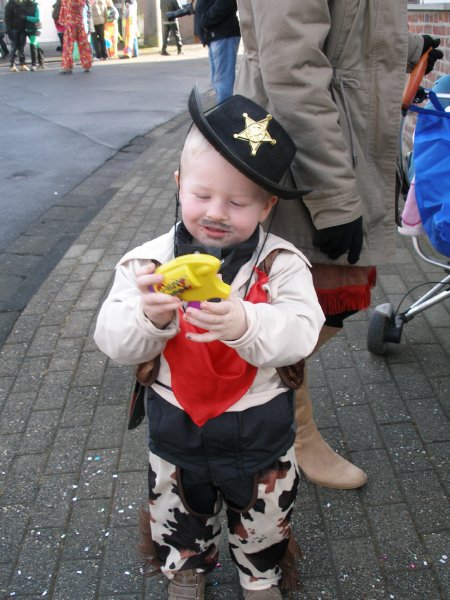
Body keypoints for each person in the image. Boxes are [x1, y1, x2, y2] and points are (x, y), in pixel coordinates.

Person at [94, 86, 325, 600]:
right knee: (177, 508)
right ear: (179, 184)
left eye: (238, 202)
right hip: (176, 421)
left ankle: (262, 576)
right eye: (202, 196)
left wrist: (248, 324)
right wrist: (147, 320)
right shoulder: (147, 266)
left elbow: (302, 331)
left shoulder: (282, 264)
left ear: (266, 207)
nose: (216, 212)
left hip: (260, 423)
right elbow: (111, 337)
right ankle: (186, 569)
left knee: (265, 515)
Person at [234, 0, 443, 490]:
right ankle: (285, 426)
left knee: (331, 295)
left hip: (341, 138)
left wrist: (410, 50)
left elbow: (347, 28)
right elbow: (292, 66)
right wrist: (330, 192)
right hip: (308, 147)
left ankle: (263, 396)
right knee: (313, 298)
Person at [194, 0, 240, 103]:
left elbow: (225, 4)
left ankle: (225, 116)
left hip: (223, 35)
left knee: (223, 83)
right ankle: (224, 113)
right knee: (219, 82)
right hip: (215, 36)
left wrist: (204, 19)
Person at [58, 0, 93, 74]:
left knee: (68, 45)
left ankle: (67, 66)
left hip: (70, 24)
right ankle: (87, 64)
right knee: (83, 44)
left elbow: (63, 9)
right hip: (79, 23)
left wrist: (62, 20)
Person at [5, 0, 28, 72]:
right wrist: (9, 31)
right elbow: (7, 19)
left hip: (22, 29)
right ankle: (12, 65)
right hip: (13, 29)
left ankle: (22, 64)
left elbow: (26, 16)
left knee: (22, 47)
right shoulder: (9, 5)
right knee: (14, 47)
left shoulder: (23, 3)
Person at [24, 0, 44, 71]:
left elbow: (37, 19)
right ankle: (41, 63)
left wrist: (26, 17)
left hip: (36, 28)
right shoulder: (24, 4)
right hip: (28, 29)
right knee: (36, 45)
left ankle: (34, 65)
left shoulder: (37, 6)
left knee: (32, 44)